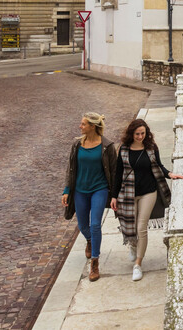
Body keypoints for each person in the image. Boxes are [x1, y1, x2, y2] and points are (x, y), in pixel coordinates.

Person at [110, 118, 183, 282]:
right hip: (129, 193)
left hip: (148, 192)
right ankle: (132, 245)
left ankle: (138, 264)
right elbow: (118, 174)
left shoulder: (151, 148)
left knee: (141, 227)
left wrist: (170, 174)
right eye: (137, 134)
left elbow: (158, 166)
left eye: (143, 133)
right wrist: (114, 196)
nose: (140, 137)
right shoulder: (123, 149)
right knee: (131, 226)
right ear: (132, 133)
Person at [62, 112, 117, 282]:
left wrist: (114, 195)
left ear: (93, 126)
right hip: (80, 190)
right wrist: (66, 190)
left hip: (99, 189)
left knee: (95, 225)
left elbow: (114, 172)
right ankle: (89, 241)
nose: (80, 127)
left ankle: (95, 262)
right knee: (82, 224)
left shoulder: (107, 146)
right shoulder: (77, 145)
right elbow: (71, 168)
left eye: (83, 124)